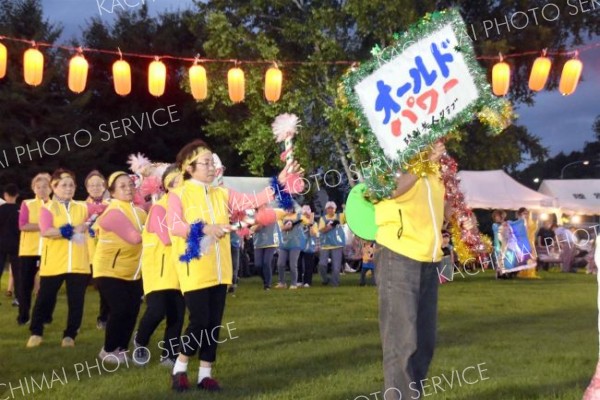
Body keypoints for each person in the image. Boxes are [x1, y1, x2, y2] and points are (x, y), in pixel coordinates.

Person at [166, 139, 303, 392]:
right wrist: (204, 228)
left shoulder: (222, 193)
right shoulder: (178, 195)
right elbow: (174, 226)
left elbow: (254, 200)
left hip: (221, 270)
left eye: (212, 162)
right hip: (194, 269)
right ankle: (180, 367)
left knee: (214, 323)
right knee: (199, 321)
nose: (211, 167)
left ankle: (205, 374)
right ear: (189, 167)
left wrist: (280, 181)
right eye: (205, 163)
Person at [373, 141, 455, 400]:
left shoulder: (436, 165)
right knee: (402, 345)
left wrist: (455, 208)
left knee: (423, 345)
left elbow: (439, 212)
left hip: (428, 258)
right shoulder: (387, 149)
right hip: (398, 253)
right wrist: (421, 163)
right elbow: (386, 189)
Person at [26, 169, 91, 348]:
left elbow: (99, 213)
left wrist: (88, 225)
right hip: (54, 263)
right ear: (54, 187)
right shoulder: (47, 208)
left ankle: (70, 335)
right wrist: (66, 231)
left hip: (78, 264)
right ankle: (36, 332)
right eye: (63, 185)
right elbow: (46, 230)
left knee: (76, 302)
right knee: (44, 299)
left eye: (71, 185)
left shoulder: (82, 207)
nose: (68, 188)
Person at [132, 165, 185, 368]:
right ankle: (141, 340)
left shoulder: (187, 208)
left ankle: (169, 354)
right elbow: (167, 238)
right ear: (168, 186)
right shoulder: (159, 208)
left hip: (180, 270)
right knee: (157, 310)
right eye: (178, 183)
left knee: (177, 314)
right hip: (159, 270)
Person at [93, 172, 147, 364]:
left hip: (132, 272)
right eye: (122, 186)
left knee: (132, 310)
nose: (128, 189)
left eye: (130, 185)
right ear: (112, 192)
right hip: (109, 270)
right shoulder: (112, 212)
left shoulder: (140, 212)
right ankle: (107, 350)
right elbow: (135, 238)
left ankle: (121, 349)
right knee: (120, 308)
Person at [17, 173, 52, 326]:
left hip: (50, 250)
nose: (42, 190)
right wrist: (43, 226)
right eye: (38, 187)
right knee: (25, 285)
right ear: (34, 189)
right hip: (29, 251)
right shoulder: (27, 203)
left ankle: (45, 316)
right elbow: (23, 225)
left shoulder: (55, 205)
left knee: (48, 286)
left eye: (45, 187)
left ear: (51, 188)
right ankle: (23, 316)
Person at [84, 170, 111, 330]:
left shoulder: (112, 204)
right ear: (86, 188)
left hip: (109, 250)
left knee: (107, 287)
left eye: (98, 184)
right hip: (89, 253)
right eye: (91, 185)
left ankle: (105, 317)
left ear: (104, 186)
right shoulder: (82, 206)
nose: (95, 187)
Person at [276, 206, 311, 289]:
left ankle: (294, 283)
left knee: (293, 264)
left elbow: (309, 223)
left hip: (296, 243)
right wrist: (286, 227)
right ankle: (282, 282)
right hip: (284, 243)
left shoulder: (299, 216)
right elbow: (281, 228)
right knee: (280, 263)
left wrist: (309, 216)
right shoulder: (282, 217)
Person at [251, 204, 282, 290]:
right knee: (258, 265)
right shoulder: (255, 215)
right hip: (258, 242)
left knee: (266, 262)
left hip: (270, 241)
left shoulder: (272, 212)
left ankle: (267, 284)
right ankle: (265, 279)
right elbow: (253, 226)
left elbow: (259, 226)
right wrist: (254, 226)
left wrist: (256, 227)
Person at [0, 184, 20, 306]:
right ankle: (18, 298)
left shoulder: (1, 209)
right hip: (16, 244)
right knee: (17, 272)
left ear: (5, 195)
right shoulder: (21, 210)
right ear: (17, 195)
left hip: (1, 243)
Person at [317, 202, 346, 286]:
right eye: (329, 208)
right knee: (322, 264)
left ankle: (335, 283)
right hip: (325, 244)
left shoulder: (340, 216)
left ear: (335, 209)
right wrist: (330, 227)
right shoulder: (323, 219)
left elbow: (349, 217)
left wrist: (345, 208)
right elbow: (321, 230)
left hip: (337, 244)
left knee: (336, 266)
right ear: (326, 209)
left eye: (332, 208)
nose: (330, 210)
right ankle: (325, 279)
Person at [515, 208, 540, 279]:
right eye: (524, 213)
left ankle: (530, 272)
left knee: (531, 256)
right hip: (523, 242)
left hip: (530, 241)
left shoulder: (530, 221)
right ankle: (523, 272)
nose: (526, 215)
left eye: (527, 213)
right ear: (520, 214)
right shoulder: (519, 222)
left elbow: (533, 229)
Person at [299, 205, 319, 288]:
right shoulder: (299, 223)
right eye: (304, 213)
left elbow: (313, 234)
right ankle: (298, 280)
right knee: (298, 263)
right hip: (299, 245)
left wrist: (310, 225)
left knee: (309, 264)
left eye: (307, 213)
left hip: (309, 246)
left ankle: (307, 281)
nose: (306, 215)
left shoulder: (314, 223)